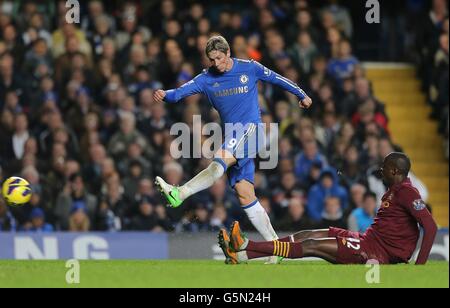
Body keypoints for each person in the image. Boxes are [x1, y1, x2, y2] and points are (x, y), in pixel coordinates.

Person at [153, 35, 312, 263]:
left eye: (218, 58)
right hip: (234, 136)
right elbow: (179, 93)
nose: (215, 63)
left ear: (228, 53)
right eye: (211, 59)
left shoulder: (250, 67)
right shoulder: (206, 78)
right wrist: (164, 95)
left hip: (251, 130)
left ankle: (180, 193)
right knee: (244, 193)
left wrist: (302, 95)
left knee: (218, 163)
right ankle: (277, 250)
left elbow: (278, 79)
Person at [219, 152, 437, 265]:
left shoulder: (407, 192)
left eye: (385, 167)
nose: (381, 170)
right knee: (309, 234)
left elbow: (430, 226)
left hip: (376, 252)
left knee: (312, 245)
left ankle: (246, 244)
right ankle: (242, 255)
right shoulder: (395, 190)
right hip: (369, 240)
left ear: (394, 170)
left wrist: (419, 264)